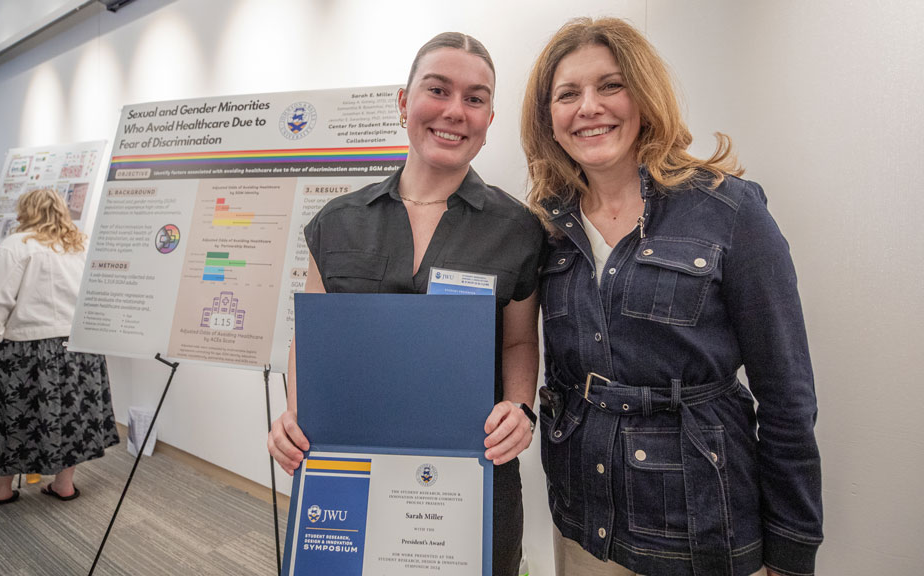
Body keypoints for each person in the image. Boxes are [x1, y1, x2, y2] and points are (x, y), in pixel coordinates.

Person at [521, 17, 823, 576]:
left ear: (644, 95)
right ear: (550, 121)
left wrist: (792, 549)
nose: (589, 106)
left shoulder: (729, 211)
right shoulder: (548, 226)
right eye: (568, 94)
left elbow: (787, 396)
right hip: (584, 525)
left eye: (610, 85)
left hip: (701, 533)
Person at [267, 32, 545, 575]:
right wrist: (298, 419)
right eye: (437, 90)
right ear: (403, 103)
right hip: (348, 469)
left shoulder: (518, 231)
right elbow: (314, 337)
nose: (454, 111)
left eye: (475, 98)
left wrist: (520, 407)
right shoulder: (337, 222)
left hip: (470, 474)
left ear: (489, 119)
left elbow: (517, 338)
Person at [0, 188, 118, 508]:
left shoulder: (17, 246)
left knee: (5, 416)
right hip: (79, 348)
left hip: (25, 352)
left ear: (25, 212)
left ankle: (0, 488)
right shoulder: (82, 244)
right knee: (71, 415)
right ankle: (63, 484)